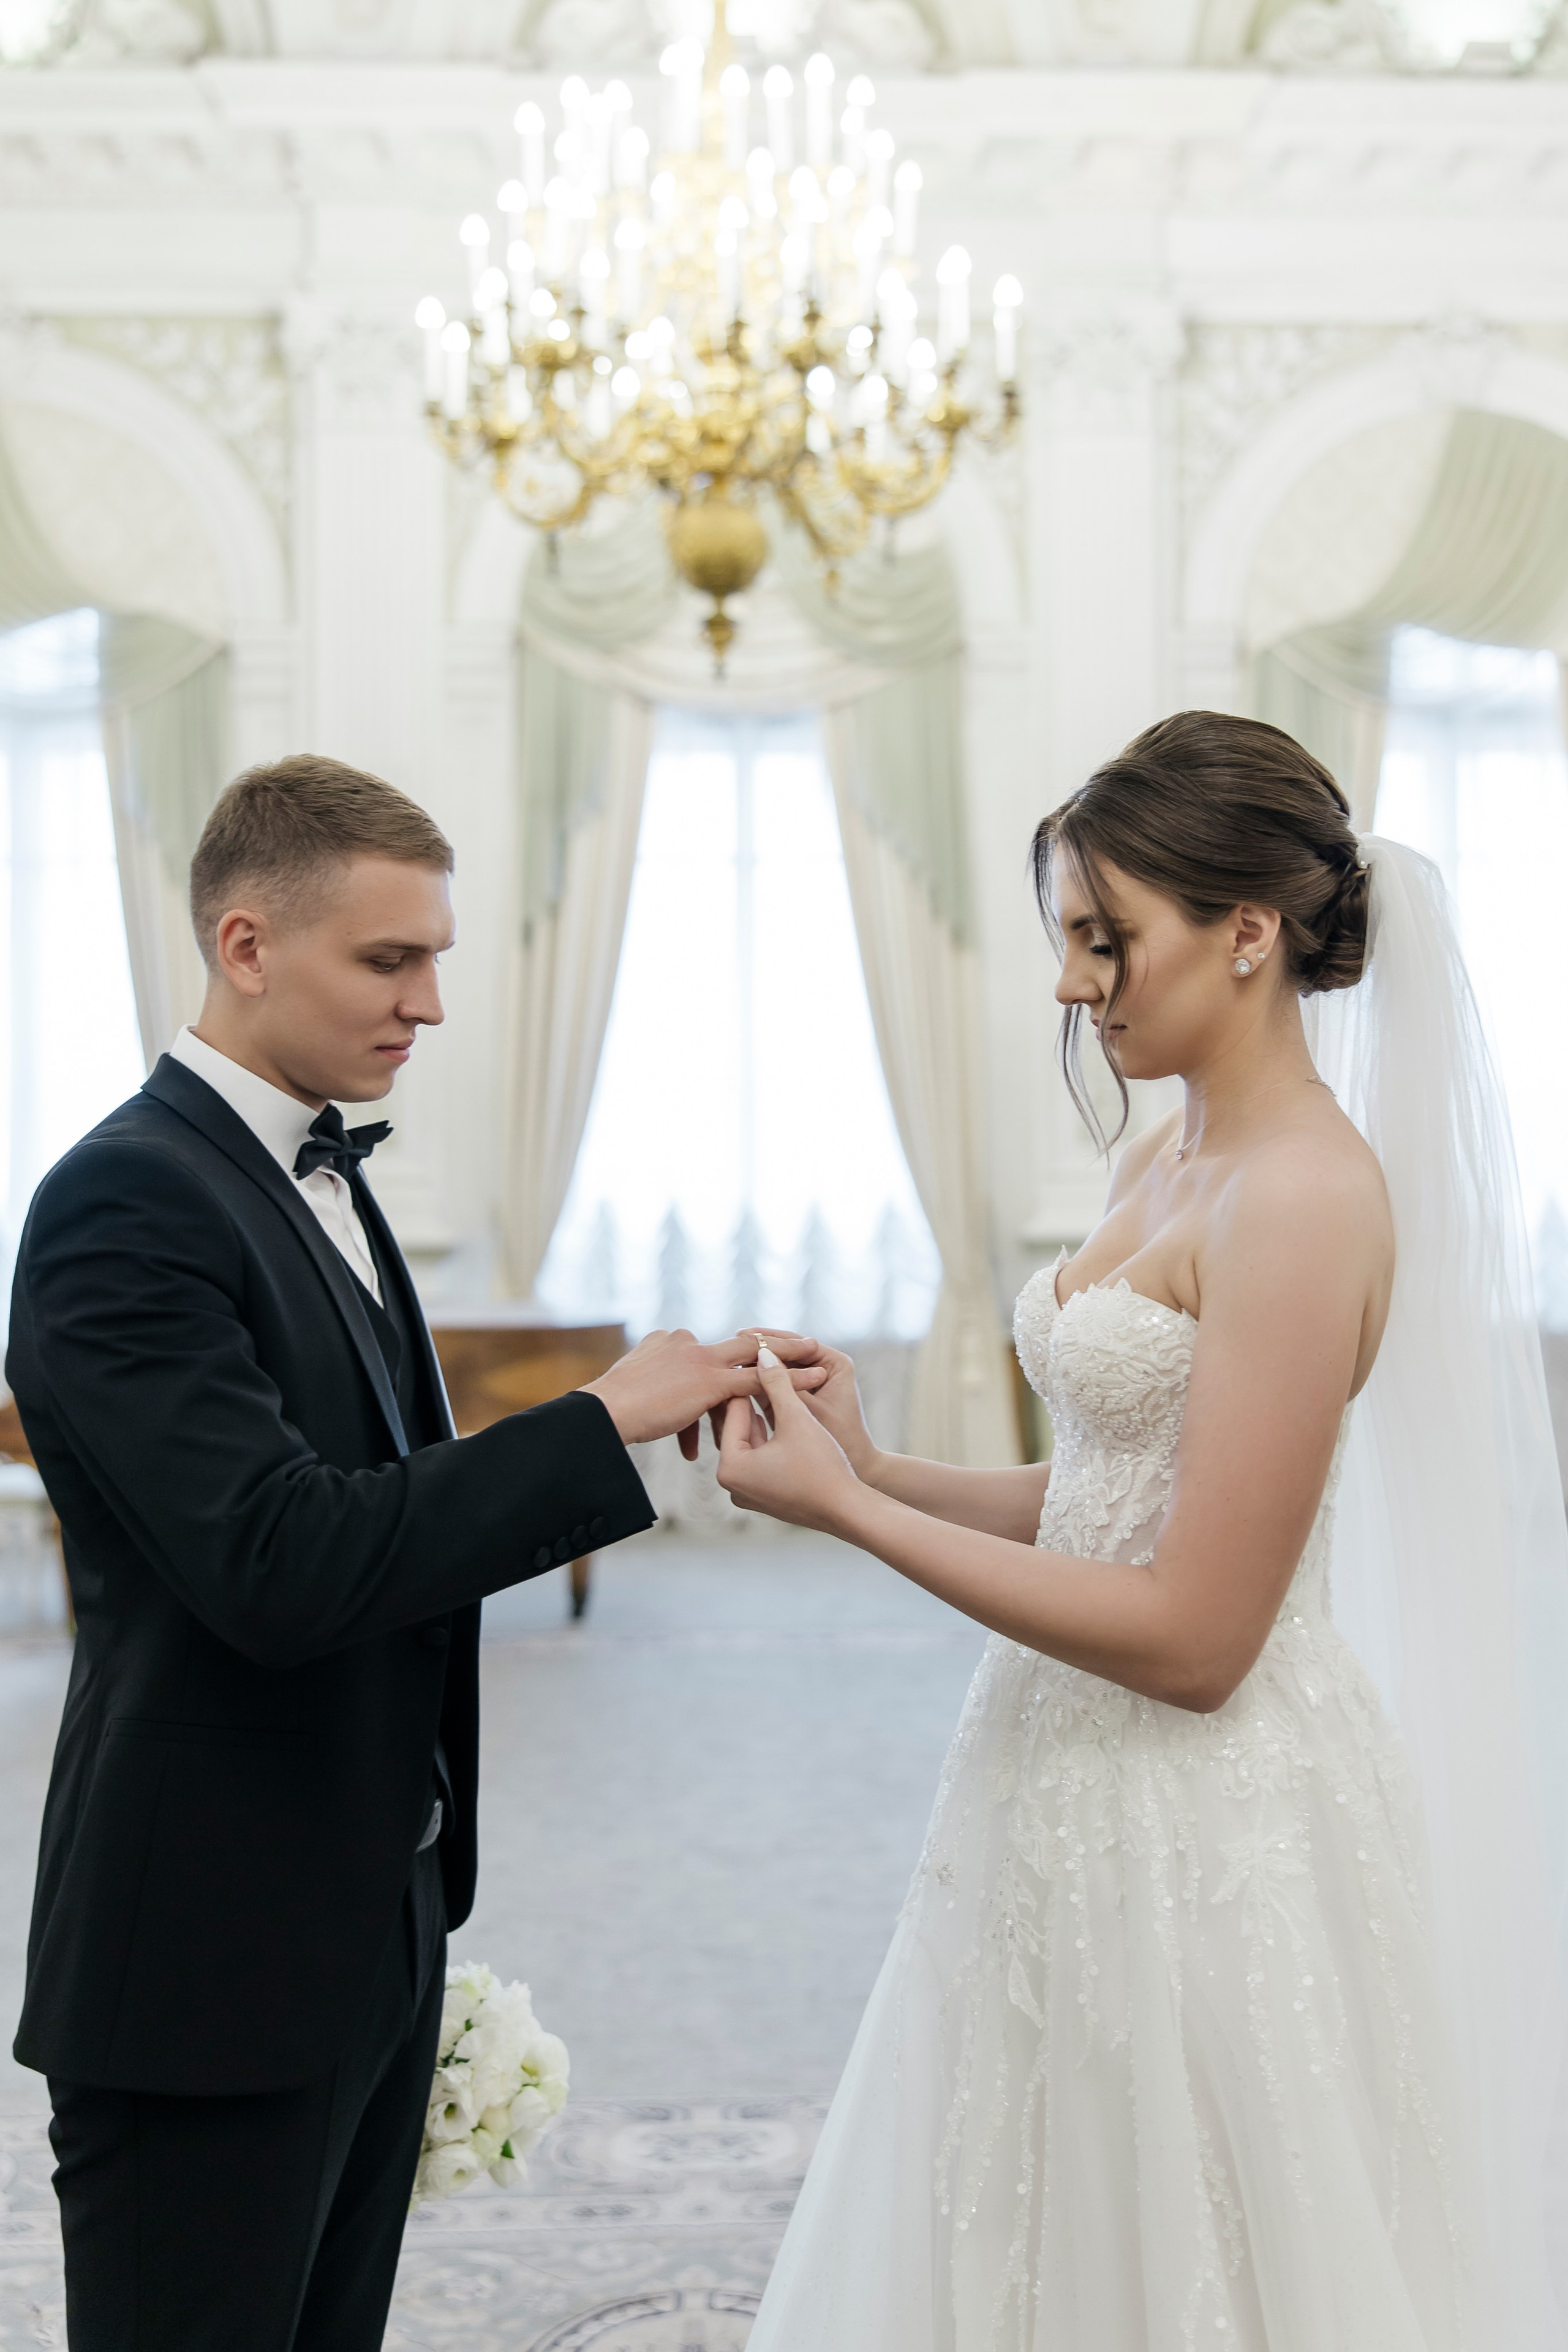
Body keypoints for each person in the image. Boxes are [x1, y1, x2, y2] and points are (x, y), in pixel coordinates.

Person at [720, 713, 1568, 2350]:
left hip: (1211, 1808)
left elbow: (1196, 1636)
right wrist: (876, 1465)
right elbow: (1107, 1494)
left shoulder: (1305, 1196)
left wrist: (850, 1518)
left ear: (1247, 930)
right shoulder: (1163, 1144)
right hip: (1050, 1761)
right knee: (1030, 2204)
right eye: (1068, 939)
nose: (1071, 984)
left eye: (1105, 938)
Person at [5, 753, 825, 2352]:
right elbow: (279, 1559)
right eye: (391, 959)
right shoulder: (124, 1202)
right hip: (203, 1957)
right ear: (247, 945)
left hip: (356, 1925)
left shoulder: (313, 1168)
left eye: (435, 957)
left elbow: (388, 1505)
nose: (429, 1004)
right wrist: (596, 1423)